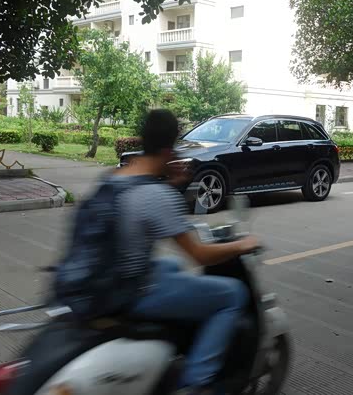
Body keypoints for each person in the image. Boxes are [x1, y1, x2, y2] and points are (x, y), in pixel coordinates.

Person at [57, 109, 259, 395]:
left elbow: (142, 208)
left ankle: (175, 342)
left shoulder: (113, 178)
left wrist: (170, 183)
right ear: (168, 149)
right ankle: (197, 382)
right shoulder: (156, 195)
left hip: (95, 283)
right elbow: (200, 256)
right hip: (129, 292)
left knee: (171, 266)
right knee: (232, 295)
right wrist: (242, 244)